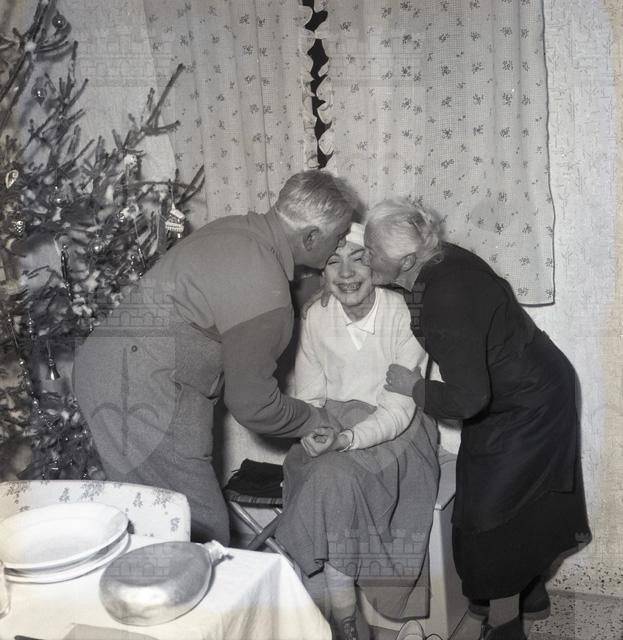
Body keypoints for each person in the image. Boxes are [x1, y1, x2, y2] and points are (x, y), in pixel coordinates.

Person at [73, 170, 356, 544]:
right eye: (339, 237)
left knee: (153, 518)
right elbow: (253, 406)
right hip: (141, 388)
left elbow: (228, 298)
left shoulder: (238, 230)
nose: (340, 246)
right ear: (311, 237)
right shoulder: (266, 289)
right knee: (196, 529)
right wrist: (313, 419)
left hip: (113, 364)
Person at [362, 198, 591, 640]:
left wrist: (415, 388)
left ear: (406, 259)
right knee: (498, 504)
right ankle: (530, 598)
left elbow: (468, 400)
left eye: (371, 251)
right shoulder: (437, 258)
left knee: (493, 522)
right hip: (512, 392)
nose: (365, 256)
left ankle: (505, 629)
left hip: (530, 405)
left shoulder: (446, 296)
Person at [275, 223, 440, 640]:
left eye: (358, 259)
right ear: (322, 272)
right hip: (331, 423)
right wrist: (311, 431)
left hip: (398, 431)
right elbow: (310, 397)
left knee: (333, 479)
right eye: (333, 261)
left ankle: (340, 622)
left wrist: (347, 439)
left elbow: (399, 409)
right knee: (322, 476)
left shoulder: (404, 314)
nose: (346, 273)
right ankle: (340, 623)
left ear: (377, 266)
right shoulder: (316, 316)